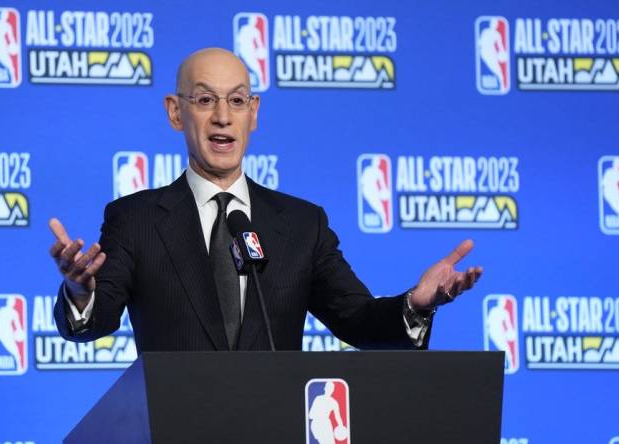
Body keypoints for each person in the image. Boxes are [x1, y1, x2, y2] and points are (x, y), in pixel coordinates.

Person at [48, 48, 482, 351]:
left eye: (236, 100)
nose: (222, 115)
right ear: (175, 112)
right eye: (204, 99)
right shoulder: (135, 219)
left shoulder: (301, 224)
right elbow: (94, 322)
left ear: (253, 113)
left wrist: (415, 305)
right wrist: (79, 291)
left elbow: (357, 318)